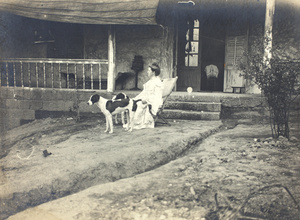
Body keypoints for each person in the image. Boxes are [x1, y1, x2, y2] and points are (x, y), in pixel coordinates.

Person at [132, 62, 163, 129]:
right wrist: (136, 98)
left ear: (153, 72)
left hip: (154, 102)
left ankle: (142, 123)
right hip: (147, 99)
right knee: (135, 102)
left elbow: (157, 96)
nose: (147, 72)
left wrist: (147, 100)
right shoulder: (150, 82)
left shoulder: (157, 82)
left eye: (149, 70)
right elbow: (144, 93)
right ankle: (134, 122)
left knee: (140, 104)